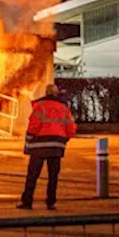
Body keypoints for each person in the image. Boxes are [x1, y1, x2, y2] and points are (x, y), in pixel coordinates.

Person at [17, 83, 77, 211]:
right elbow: (71, 129)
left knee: (32, 175)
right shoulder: (64, 108)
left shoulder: (39, 107)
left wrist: (28, 141)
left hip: (39, 146)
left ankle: (27, 201)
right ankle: (51, 202)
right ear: (57, 94)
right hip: (56, 147)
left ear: (46, 93)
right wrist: (64, 139)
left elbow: (33, 126)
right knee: (53, 176)